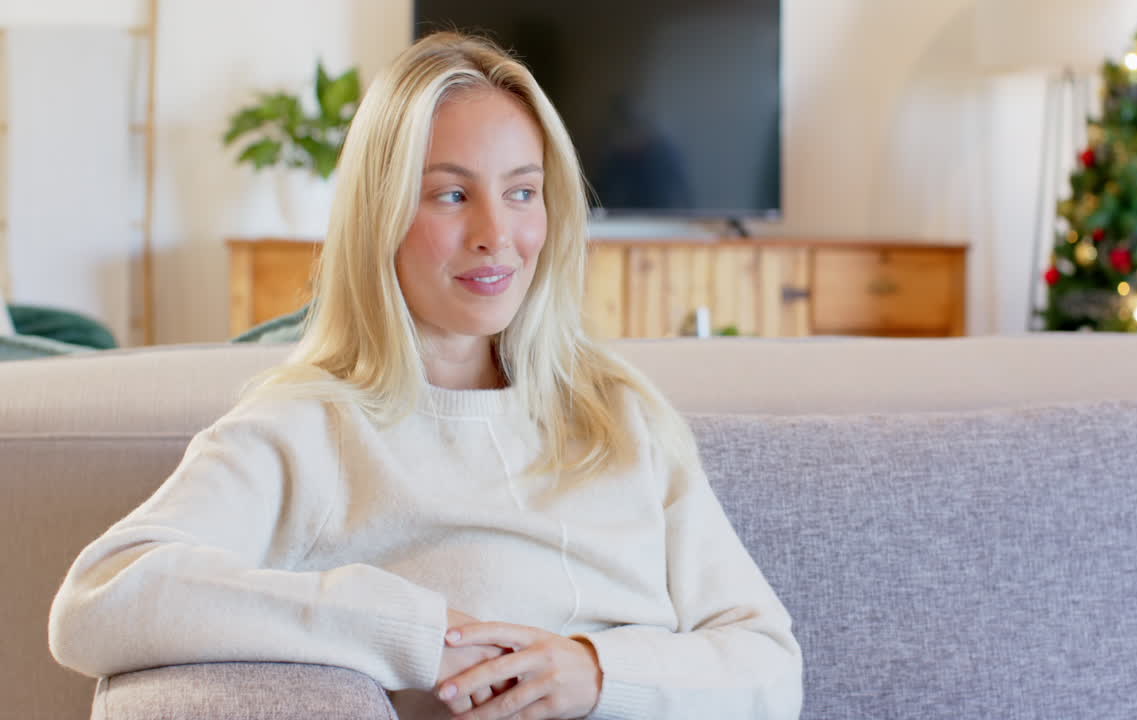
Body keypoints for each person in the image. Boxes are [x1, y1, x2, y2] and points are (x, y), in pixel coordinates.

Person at [48, 32, 802, 720]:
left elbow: (770, 667)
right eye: (451, 194)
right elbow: (101, 599)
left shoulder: (622, 414)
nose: (497, 236)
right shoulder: (309, 425)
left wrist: (600, 673)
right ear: (381, 213)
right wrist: (408, 632)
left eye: (521, 191)